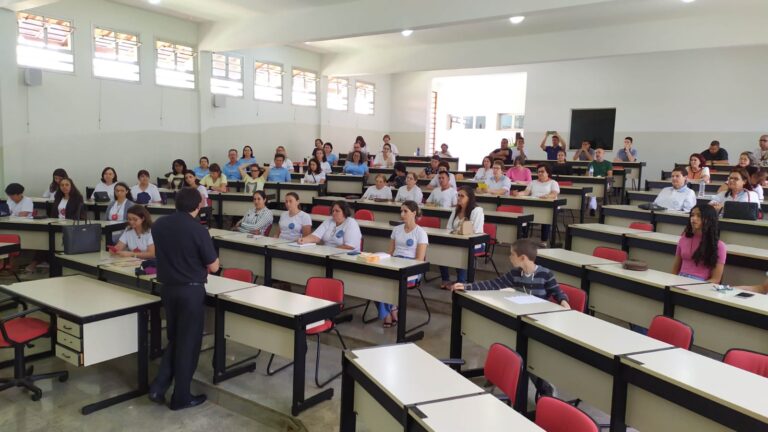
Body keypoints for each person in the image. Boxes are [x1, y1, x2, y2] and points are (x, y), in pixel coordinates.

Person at [148, 188, 219, 410]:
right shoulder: (198, 230)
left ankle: (159, 387)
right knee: (188, 344)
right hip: (190, 291)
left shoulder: (159, 225)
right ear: (198, 206)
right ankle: (181, 397)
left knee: (176, 339)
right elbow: (214, 266)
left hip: (167, 289)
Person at [451, 238, 570, 309]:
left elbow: (558, 293)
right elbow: (493, 284)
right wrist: (467, 286)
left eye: (512, 254)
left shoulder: (546, 274)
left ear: (522, 258)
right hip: (521, 313)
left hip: (540, 317)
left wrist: (563, 301)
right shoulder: (515, 274)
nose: (509, 257)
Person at [381, 200, 428, 327]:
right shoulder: (396, 229)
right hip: (395, 263)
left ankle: (388, 313)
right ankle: (391, 311)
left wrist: (401, 264)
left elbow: (419, 260)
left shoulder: (421, 233)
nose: (402, 214)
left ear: (414, 213)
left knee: (388, 281)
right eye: (401, 211)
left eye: (405, 211)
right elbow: (390, 252)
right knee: (377, 279)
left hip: (411, 268)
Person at [440, 187, 484, 288]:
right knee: (441, 248)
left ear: (469, 198)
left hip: (475, 243)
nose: (459, 198)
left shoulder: (477, 210)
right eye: (458, 195)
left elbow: (476, 231)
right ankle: (445, 279)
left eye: (462, 196)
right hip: (457, 241)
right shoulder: (456, 210)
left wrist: (458, 233)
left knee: (462, 250)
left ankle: (461, 282)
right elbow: (448, 228)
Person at [672, 205, 726, 283]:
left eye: (699, 216)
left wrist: (694, 286)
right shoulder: (683, 239)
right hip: (679, 281)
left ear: (709, 220)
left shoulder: (719, 246)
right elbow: (674, 271)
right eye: (692, 215)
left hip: (700, 284)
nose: (693, 218)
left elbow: (716, 279)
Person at [514, 164, 560, 242]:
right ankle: (523, 239)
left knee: (546, 217)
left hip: (547, 206)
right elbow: (526, 192)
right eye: (538, 172)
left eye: (542, 171)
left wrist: (547, 196)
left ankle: (544, 241)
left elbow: (554, 194)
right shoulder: (533, 182)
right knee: (524, 215)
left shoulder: (553, 182)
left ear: (548, 173)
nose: (540, 173)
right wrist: (518, 194)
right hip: (533, 205)